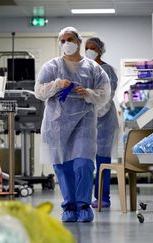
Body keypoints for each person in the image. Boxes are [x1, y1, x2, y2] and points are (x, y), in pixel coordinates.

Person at [34, 27, 110, 222]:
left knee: (84, 164)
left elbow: (104, 93)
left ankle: (83, 206)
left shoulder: (93, 68)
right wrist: (57, 85)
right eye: (63, 40)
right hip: (58, 124)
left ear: (78, 41)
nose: (66, 43)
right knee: (63, 166)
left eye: (70, 39)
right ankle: (69, 207)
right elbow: (39, 92)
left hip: (84, 122)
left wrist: (89, 93)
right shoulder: (51, 67)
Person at [85, 37, 119, 208]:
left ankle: (103, 197)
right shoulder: (84, 69)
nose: (89, 50)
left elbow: (106, 98)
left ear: (100, 50)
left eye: (92, 48)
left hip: (104, 122)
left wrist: (93, 112)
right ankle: (84, 197)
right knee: (84, 162)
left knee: (102, 162)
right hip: (87, 122)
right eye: (86, 47)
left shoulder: (107, 70)